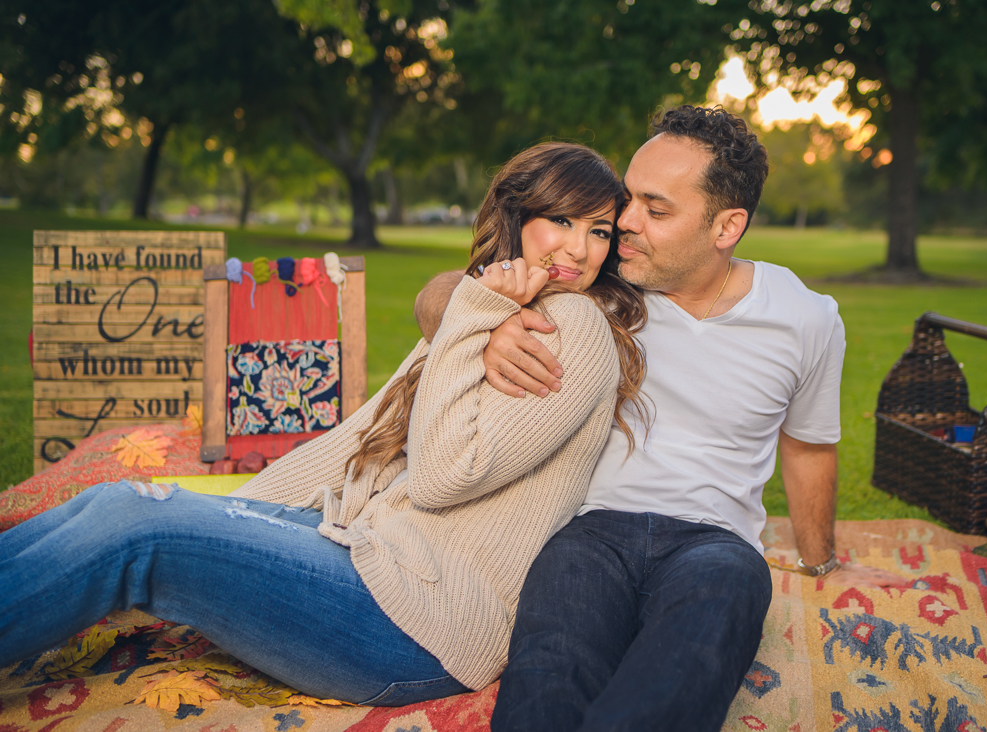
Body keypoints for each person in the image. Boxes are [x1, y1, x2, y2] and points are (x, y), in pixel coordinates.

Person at [0, 142, 650, 706]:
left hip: (420, 626)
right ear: (517, 217)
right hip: (368, 564)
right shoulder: (496, 307)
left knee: (135, 529)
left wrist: (472, 310)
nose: (579, 247)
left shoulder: (574, 326)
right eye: (560, 220)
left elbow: (444, 477)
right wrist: (228, 520)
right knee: (125, 503)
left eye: (599, 230)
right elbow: (361, 443)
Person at [414, 106, 903, 732]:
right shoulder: (601, 282)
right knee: (550, 673)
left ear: (727, 226)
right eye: (629, 200)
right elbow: (442, 288)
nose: (623, 223)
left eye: (656, 209)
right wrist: (489, 324)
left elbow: (808, 447)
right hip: (590, 534)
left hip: (715, 544)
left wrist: (820, 561)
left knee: (686, 664)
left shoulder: (805, 318)